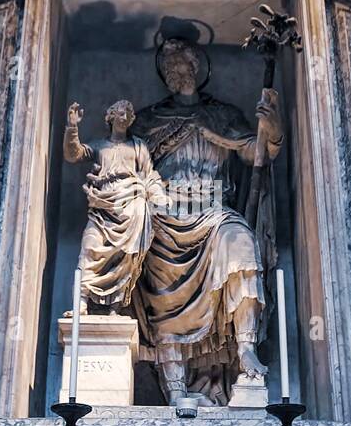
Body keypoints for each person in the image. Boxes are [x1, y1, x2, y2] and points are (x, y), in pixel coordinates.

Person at [131, 38, 282, 406]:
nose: (176, 74)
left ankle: (246, 349)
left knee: (240, 242)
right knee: (154, 263)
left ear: (197, 69)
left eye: (183, 66)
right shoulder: (150, 120)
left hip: (214, 210)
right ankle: (176, 386)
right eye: (169, 69)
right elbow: (130, 167)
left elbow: (257, 153)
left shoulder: (223, 116)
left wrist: (272, 128)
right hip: (166, 214)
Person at [63, 100, 169, 313]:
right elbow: (73, 154)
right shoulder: (100, 146)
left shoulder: (138, 146)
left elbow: (149, 176)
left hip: (132, 208)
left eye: (128, 114)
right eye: (120, 113)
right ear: (110, 117)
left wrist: (160, 199)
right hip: (103, 207)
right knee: (89, 247)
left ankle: (115, 307)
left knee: (125, 258)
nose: (124, 117)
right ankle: (81, 302)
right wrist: (72, 128)